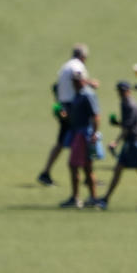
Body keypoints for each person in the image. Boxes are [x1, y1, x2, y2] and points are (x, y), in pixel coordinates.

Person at [38, 43, 99, 187]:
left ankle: (46, 172)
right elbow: (78, 79)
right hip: (74, 107)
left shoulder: (65, 66)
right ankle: (89, 176)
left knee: (63, 141)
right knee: (84, 138)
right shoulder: (77, 66)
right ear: (83, 56)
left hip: (64, 105)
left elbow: (56, 86)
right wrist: (91, 83)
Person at [100, 81, 137, 211]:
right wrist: (118, 123)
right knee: (119, 170)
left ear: (128, 91)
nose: (120, 93)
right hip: (131, 142)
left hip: (133, 143)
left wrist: (115, 142)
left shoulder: (129, 105)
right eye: (119, 91)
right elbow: (128, 124)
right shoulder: (125, 103)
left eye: (122, 91)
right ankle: (105, 199)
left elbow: (127, 128)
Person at [59, 69, 101, 209]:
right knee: (86, 167)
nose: (75, 83)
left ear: (83, 80)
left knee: (76, 165)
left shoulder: (87, 94)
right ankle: (91, 198)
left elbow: (96, 116)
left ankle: (78, 198)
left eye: (77, 81)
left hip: (84, 135)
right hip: (78, 133)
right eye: (74, 81)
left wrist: (94, 134)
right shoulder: (79, 94)